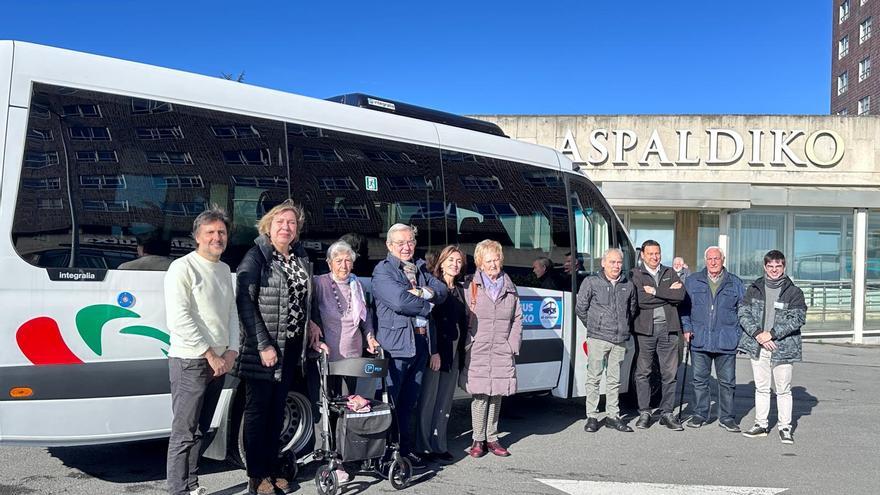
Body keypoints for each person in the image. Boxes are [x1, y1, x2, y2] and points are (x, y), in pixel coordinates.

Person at [233, 200, 321, 495]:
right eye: (280, 222)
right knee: (258, 412)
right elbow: (245, 302)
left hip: (292, 347)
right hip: (264, 348)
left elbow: (306, 297)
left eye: (292, 223)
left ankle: (271, 469)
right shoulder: (257, 255)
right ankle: (256, 477)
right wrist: (263, 344)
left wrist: (311, 322)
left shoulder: (300, 256)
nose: (286, 227)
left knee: (276, 412)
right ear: (268, 225)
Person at [164, 207, 239, 495]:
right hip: (191, 360)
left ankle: (192, 485)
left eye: (221, 232)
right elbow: (180, 317)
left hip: (219, 362)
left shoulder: (223, 270)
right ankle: (177, 490)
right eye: (210, 232)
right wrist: (210, 354)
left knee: (201, 429)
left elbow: (231, 313)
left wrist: (231, 352)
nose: (216, 237)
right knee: (183, 433)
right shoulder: (182, 268)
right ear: (197, 236)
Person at [371, 224, 448, 466]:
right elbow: (401, 302)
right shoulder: (383, 271)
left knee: (408, 404)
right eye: (401, 243)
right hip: (396, 347)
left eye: (410, 242)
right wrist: (427, 304)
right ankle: (384, 455)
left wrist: (422, 292)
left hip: (419, 343)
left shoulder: (421, 267)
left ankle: (404, 451)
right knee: (389, 403)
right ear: (390, 246)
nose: (407, 247)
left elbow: (442, 291)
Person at [460, 240, 523, 458]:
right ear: (480, 263)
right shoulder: (471, 287)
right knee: (480, 396)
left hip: (501, 349)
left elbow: (517, 318)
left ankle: (493, 438)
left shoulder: (509, 287)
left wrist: (512, 345)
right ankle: (478, 439)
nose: (494, 264)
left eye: (496, 259)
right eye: (489, 260)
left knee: (497, 395)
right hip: (478, 348)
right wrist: (469, 342)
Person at [738, 250, 806, 445]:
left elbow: (798, 319)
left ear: (784, 267)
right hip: (759, 345)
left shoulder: (794, 292)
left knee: (783, 389)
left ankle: (785, 427)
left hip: (781, 347)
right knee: (761, 388)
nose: (774, 270)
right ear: (765, 267)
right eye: (770, 266)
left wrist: (772, 334)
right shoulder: (754, 288)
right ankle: (761, 424)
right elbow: (743, 313)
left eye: (778, 266)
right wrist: (759, 334)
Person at [681, 246, 745, 432]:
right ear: (705, 260)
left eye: (717, 258)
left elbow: (744, 312)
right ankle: (700, 413)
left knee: (727, 383)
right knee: (699, 381)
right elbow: (684, 309)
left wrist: (739, 336)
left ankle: (727, 417)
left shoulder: (735, 283)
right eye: (710, 259)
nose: (713, 262)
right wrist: (686, 328)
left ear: (723, 259)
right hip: (699, 339)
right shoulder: (692, 281)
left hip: (726, 341)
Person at [415, 245, 468, 462]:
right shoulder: (432, 288)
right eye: (451, 260)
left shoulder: (461, 289)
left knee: (445, 402)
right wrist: (433, 351)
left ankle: (439, 444)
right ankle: (423, 446)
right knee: (428, 400)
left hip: (454, 351)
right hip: (436, 351)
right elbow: (428, 322)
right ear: (442, 262)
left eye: (458, 261)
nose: (455, 265)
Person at [576, 248, 637, 434]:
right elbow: (581, 308)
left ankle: (612, 416)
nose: (616, 266)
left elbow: (631, 310)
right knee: (593, 378)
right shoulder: (591, 282)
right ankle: (592, 416)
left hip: (619, 339)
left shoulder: (628, 285)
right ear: (603, 263)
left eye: (619, 262)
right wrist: (595, 326)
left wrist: (623, 326)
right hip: (598, 338)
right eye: (612, 262)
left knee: (614, 380)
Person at [630, 239, 686, 430]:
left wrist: (655, 291)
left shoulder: (670, 272)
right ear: (643, 255)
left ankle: (667, 413)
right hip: (645, 331)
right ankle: (644, 412)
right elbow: (641, 301)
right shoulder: (636, 274)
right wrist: (667, 295)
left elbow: (680, 296)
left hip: (669, 330)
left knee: (669, 373)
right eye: (651, 254)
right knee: (643, 372)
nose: (655, 257)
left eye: (658, 253)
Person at [311, 240, 379, 391]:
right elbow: (308, 309)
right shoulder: (319, 283)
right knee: (328, 403)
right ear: (330, 264)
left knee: (349, 402)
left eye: (348, 260)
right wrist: (311, 325)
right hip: (327, 354)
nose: (344, 265)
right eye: (338, 261)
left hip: (352, 354)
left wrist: (370, 336)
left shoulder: (357, 284)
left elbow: (365, 315)